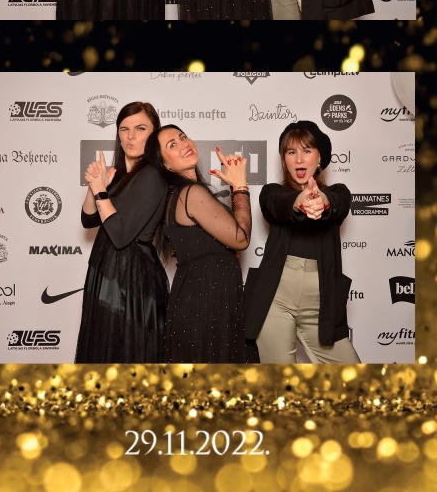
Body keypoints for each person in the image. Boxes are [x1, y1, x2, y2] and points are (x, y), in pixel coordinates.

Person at [245, 121, 357, 364]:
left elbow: (339, 203)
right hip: (275, 298)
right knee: (280, 379)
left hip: (321, 301)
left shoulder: (338, 191)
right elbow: (274, 205)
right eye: (291, 152)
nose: (299, 159)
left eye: (307, 150)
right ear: (284, 159)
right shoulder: (272, 192)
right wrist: (299, 202)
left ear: (320, 157)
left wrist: (322, 201)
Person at [75, 101, 168, 362]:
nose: (130, 136)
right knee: (103, 351)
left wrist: (101, 191)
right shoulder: (117, 175)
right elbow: (88, 219)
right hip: (108, 271)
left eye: (140, 128)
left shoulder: (153, 175)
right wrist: (94, 186)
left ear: (154, 133)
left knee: (129, 352)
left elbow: (120, 235)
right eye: (124, 129)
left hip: (133, 277)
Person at [148, 127, 250, 362]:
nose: (183, 143)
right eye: (172, 145)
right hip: (205, 305)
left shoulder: (181, 195)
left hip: (206, 301)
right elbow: (241, 238)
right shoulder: (191, 193)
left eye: (182, 137)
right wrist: (240, 186)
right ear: (165, 165)